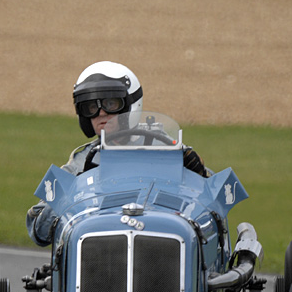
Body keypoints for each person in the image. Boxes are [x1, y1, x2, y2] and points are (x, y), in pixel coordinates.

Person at [26, 61, 209, 247]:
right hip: (102, 249)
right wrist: (73, 191)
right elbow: (38, 230)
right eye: (91, 107)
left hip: (162, 243)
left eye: (111, 104)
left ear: (130, 105)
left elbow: (214, 203)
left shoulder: (170, 149)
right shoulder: (82, 160)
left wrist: (201, 175)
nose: (101, 113)